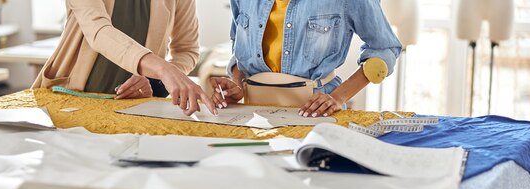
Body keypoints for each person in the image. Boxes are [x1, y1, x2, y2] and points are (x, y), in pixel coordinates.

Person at [210, 0, 402, 118]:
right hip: (253, 117)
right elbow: (240, 46)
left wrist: (338, 97)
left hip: (316, 116)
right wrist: (237, 86)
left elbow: (385, 47)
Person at [33, 0, 215, 116]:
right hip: (71, 97)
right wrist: (163, 69)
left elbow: (187, 50)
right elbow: (98, 31)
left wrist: (154, 82)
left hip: (131, 107)